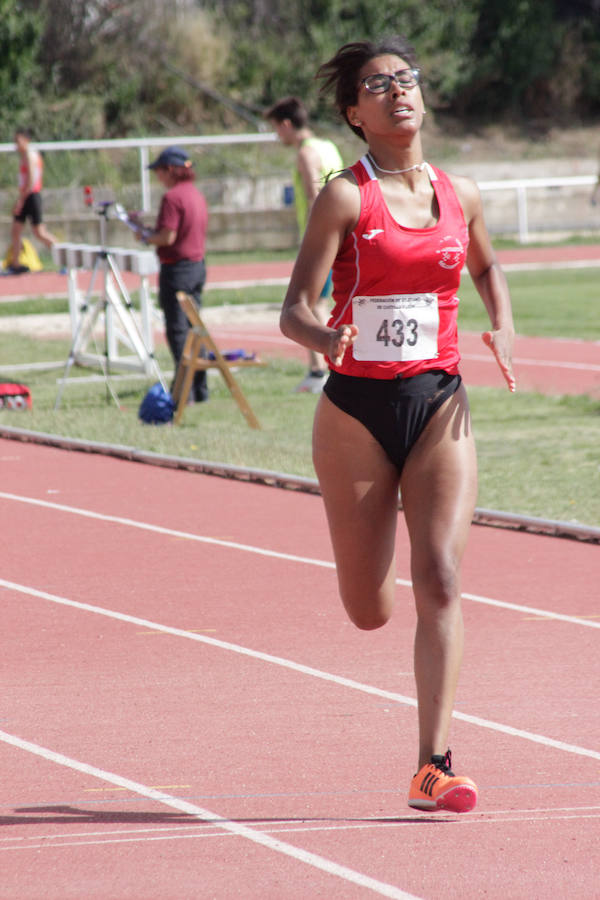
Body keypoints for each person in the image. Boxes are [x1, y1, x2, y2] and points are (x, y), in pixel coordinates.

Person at [280, 36, 516, 813]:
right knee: (369, 608)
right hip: (355, 410)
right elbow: (295, 309)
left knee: (442, 577)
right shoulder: (345, 196)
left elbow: (483, 265)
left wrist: (500, 322)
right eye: (378, 85)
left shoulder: (463, 192)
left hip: (440, 400)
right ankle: (370, 550)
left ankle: (432, 764)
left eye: (406, 79)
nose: (398, 92)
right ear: (354, 112)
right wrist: (324, 338)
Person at [265, 96, 344, 393]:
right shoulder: (329, 147)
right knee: (322, 302)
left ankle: (318, 370)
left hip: (321, 238)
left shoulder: (306, 153)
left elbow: (314, 194)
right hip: (339, 235)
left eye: (276, 129)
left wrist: (314, 239)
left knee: (309, 305)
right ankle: (326, 367)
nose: (277, 135)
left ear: (287, 124)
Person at [136, 146, 209, 402]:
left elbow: (168, 236)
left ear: (170, 170)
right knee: (195, 331)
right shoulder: (195, 195)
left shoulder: (172, 197)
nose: (158, 177)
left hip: (177, 270)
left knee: (178, 332)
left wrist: (145, 236)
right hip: (197, 266)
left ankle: (183, 393)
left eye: (158, 171)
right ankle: (200, 390)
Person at [9, 128, 57, 272]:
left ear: (26, 140)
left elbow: (30, 181)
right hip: (26, 195)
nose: (16, 145)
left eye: (18, 141)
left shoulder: (30, 155)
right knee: (16, 230)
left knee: (40, 233)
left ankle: (66, 258)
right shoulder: (24, 156)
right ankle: (16, 264)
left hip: (31, 196)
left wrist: (21, 200)